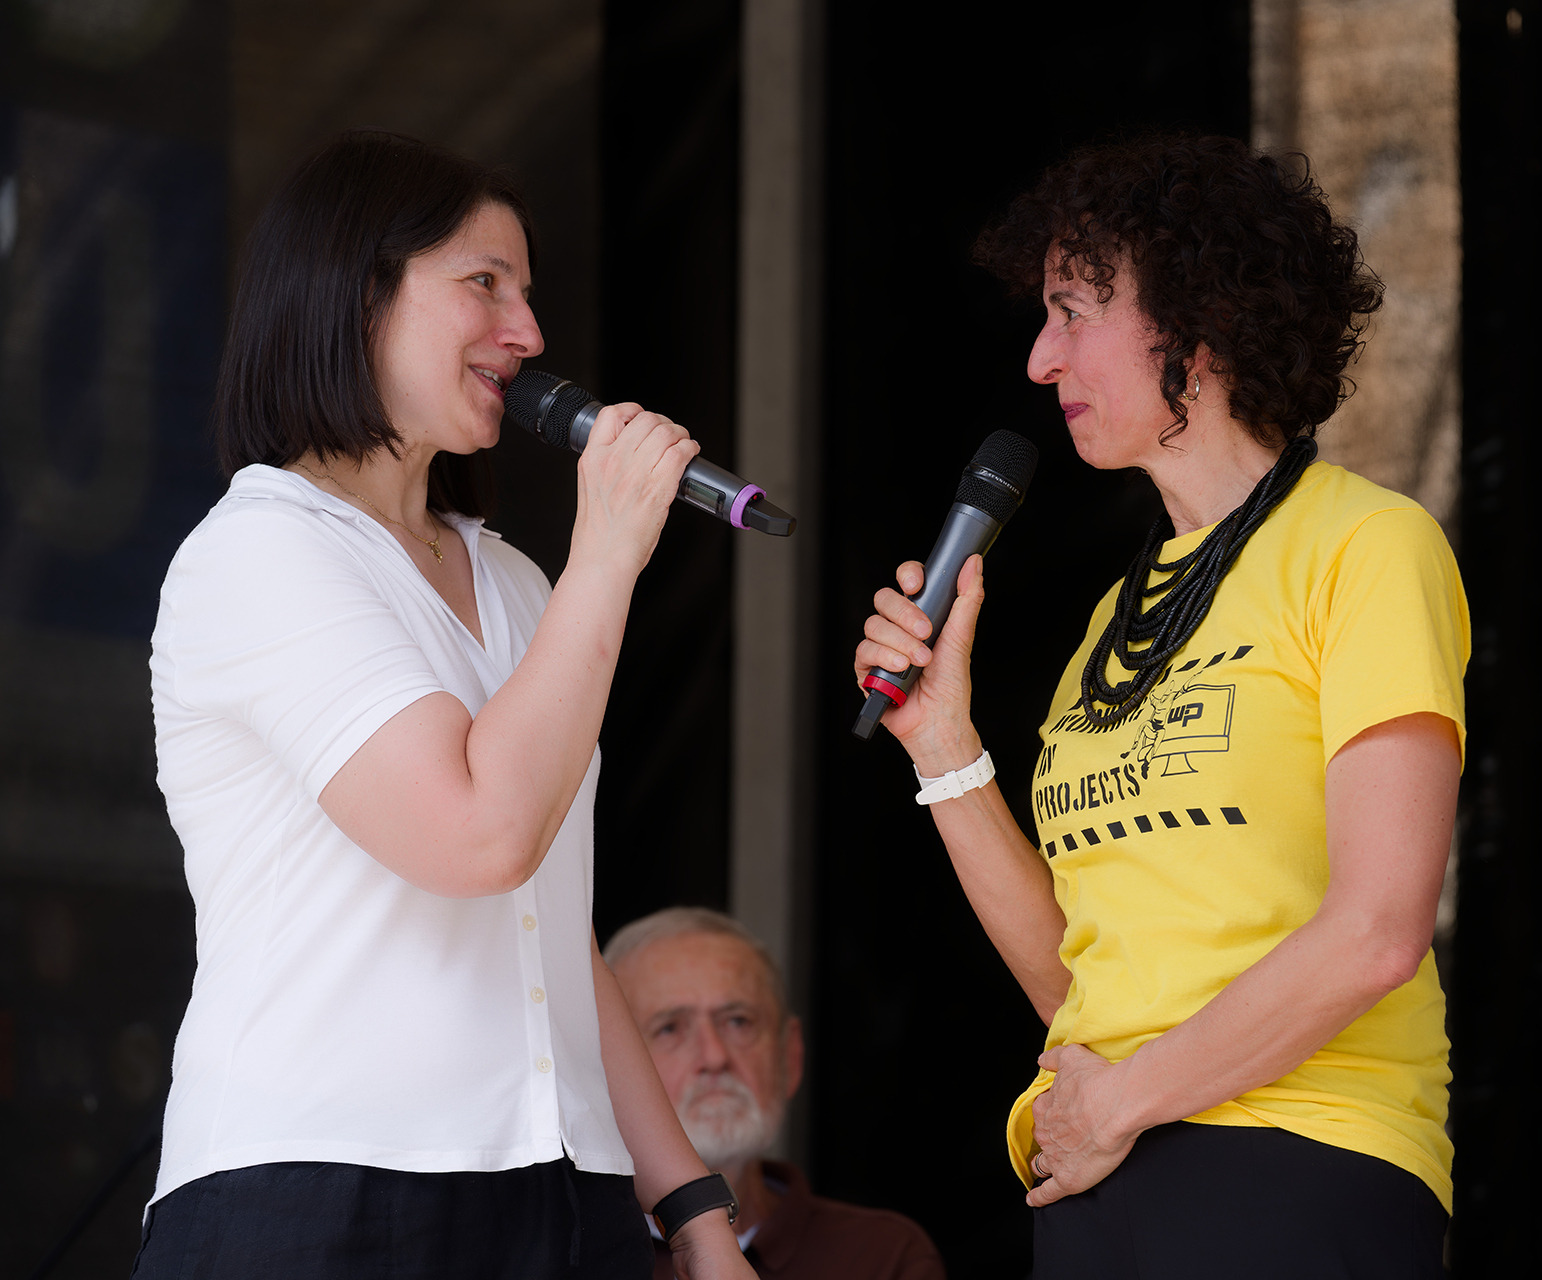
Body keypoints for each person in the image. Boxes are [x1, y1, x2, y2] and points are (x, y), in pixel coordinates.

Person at [139, 130, 752, 1280]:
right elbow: (478, 835)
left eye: (528, 291)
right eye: (484, 283)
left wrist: (697, 1214)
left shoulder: (517, 581)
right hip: (323, 1182)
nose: (528, 332)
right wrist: (608, 553)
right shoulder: (259, 550)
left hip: (565, 1188)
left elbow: (551, 934)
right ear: (356, 291)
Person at [852, 134, 1468, 1278]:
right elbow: (1083, 982)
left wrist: (1126, 1096)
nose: (1040, 358)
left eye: (1072, 311)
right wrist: (941, 742)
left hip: (1302, 1151)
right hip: (1101, 1164)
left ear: (1199, 320)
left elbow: (1378, 932)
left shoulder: (1367, 545)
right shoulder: (1111, 624)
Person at [603, 909, 945, 1280]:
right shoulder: (574, 1253)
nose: (714, 1057)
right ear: (603, 1065)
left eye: (738, 1022)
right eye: (670, 1028)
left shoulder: (882, 1256)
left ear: (790, 1054)